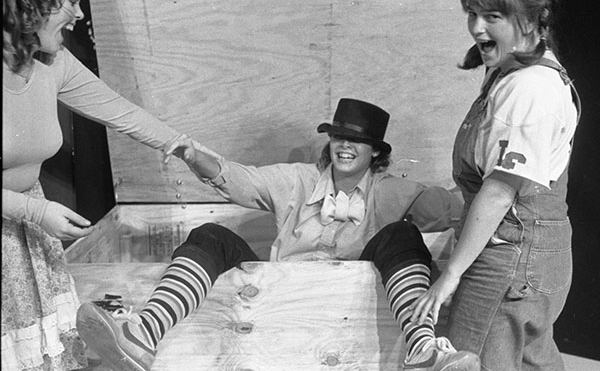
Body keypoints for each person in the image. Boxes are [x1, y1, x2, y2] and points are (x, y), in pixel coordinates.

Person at [76, 98, 481, 371]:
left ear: (375, 151)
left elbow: (454, 211)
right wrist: (194, 155)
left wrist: (486, 211)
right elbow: (240, 180)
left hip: (348, 308)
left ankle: (422, 350)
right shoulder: (297, 180)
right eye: (339, 137)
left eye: (357, 141)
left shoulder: (394, 190)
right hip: (276, 303)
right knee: (210, 234)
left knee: (402, 236)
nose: (345, 146)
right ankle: (143, 334)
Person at [2, 0, 196, 369]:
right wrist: (35, 212)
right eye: (71, 3)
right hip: (23, 220)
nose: (78, 16)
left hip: (26, 238)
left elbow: (119, 111)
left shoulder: (52, 62)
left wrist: (185, 147)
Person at [410, 0, 581, 370]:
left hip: (509, 260)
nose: (476, 27)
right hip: (535, 256)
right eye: (472, 14)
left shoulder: (531, 87)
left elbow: (500, 190)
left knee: (469, 362)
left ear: (529, 19)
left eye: (492, 17)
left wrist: (451, 274)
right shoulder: (515, 73)